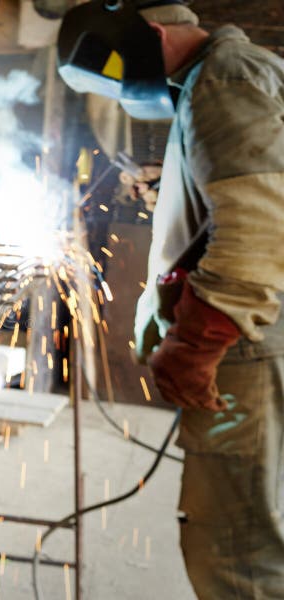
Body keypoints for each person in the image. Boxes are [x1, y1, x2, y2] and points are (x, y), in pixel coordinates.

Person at [57, 0, 284, 597]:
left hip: (249, 348)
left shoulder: (224, 79)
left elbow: (260, 225)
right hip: (258, 340)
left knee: (237, 548)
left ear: (152, 37)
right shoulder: (224, 79)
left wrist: (196, 339)